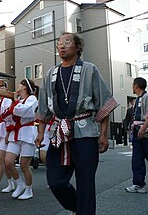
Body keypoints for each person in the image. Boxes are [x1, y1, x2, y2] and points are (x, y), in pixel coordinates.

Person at [35, 32, 118, 215]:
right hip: (59, 133)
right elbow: (43, 108)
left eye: (67, 42)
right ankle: (78, 208)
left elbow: (103, 102)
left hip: (85, 133)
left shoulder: (89, 70)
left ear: (77, 47)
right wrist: (40, 133)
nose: (62, 46)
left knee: (86, 183)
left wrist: (103, 134)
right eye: (59, 43)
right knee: (55, 182)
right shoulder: (50, 74)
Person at [3, 78, 38, 200]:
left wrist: (15, 104)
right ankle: (19, 184)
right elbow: (7, 116)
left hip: (27, 133)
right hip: (15, 133)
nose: (17, 86)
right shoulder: (16, 101)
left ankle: (29, 189)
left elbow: (24, 111)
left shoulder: (32, 99)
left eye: (20, 84)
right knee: (8, 162)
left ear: (25, 87)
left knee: (24, 165)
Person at [125, 77, 148, 194]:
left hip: (144, 132)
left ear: (137, 86)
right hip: (137, 131)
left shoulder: (146, 97)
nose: (132, 87)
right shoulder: (138, 99)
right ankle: (139, 184)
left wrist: (143, 129)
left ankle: (139, 183)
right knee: (137, 159)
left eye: (133, 85)